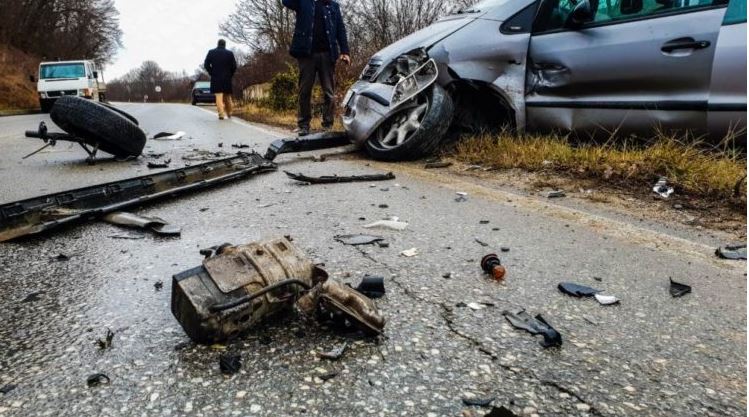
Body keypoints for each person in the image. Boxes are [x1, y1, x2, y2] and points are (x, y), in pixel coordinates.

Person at [282, 0, 350, 136]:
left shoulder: (333, 6)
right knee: (304, 91)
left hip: (327, 55)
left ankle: (327, 125)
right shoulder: (303, 2)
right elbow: (286, 2)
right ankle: (303, 125)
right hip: (307, 55)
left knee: (329, 92)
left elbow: (340, 28)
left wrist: (345, 51)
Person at [203, 39, 238, 120]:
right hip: (227, 78)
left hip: (216, 77)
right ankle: (229, 113)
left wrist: (211, 72)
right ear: (225, 45)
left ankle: (221, 114)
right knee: (227, 97)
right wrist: (230, 74)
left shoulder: (211, 52)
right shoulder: (229, 53)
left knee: (219, 97)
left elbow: (206, 64)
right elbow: (234, 66)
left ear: (217, 44)